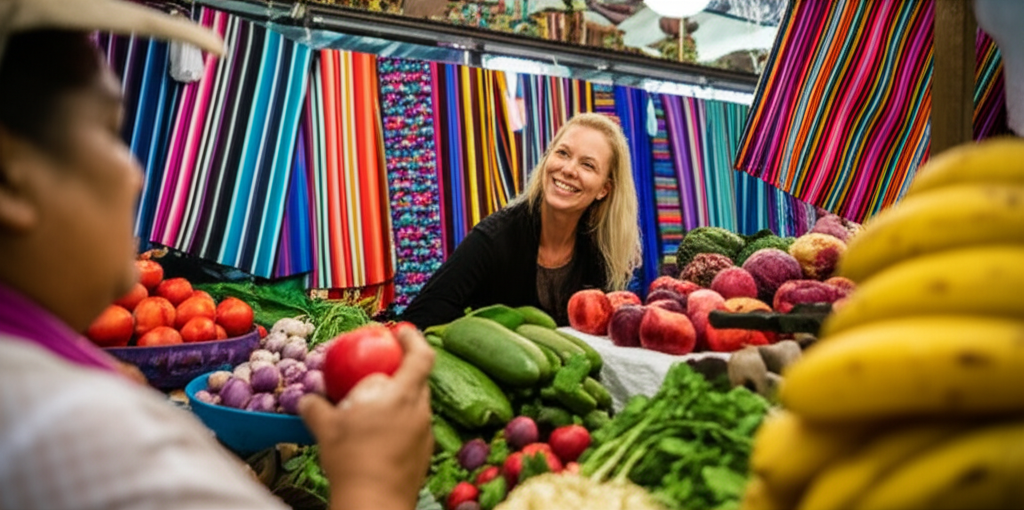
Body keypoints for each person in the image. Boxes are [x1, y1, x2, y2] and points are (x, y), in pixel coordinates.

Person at [0, 1, 434, 509]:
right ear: (12, 181)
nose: (136, 175)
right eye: (105, 131)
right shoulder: (80, 429)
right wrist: (377, 483)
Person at [402, 112, 642, 329]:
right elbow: (418, 320)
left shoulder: (601, 256)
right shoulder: (493, 239)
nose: (569, 169)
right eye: (562, 153)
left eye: (587, 165)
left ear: (604, 189)